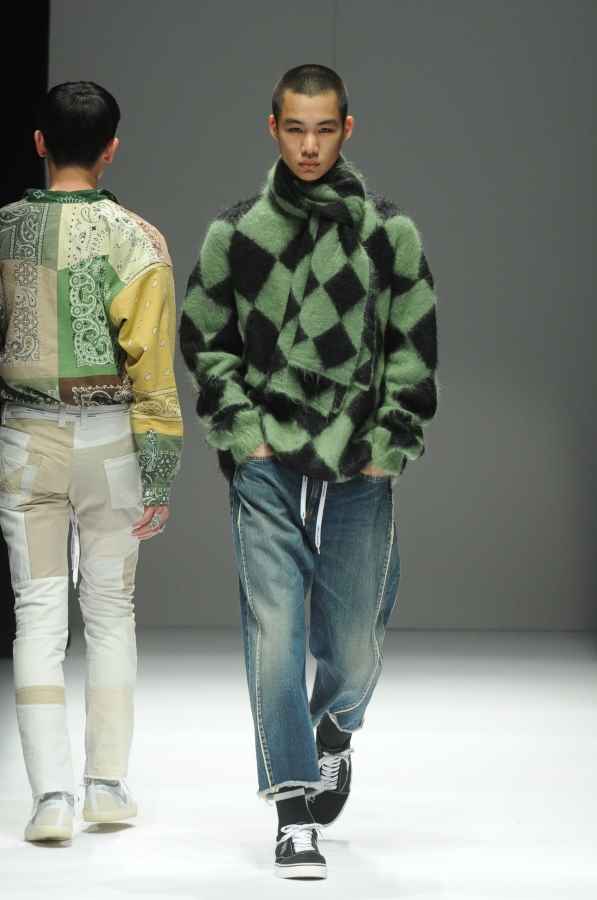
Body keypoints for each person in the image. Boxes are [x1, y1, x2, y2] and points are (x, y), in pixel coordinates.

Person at [180, 63, 438, 880]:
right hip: (266, 463)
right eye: (294, 128)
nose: (308, 146)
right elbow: (205, 340)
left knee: (355, 646)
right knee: (275, 631)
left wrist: (387, 444)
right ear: (273, 128)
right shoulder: (236, 233)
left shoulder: (388, 234)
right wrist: (243, 435)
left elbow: (412, 347)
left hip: (359, 463)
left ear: (346, 129)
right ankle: (292, 812)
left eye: (324, 129)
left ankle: (334, 730)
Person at [0, 81, 183, 842]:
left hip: (25, 443)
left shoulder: (4, 232)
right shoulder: (136, 240)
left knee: (37, 616)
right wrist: (160, 474)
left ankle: (50, 800)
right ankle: (105, 787)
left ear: (39, 143)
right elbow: (154, 371)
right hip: (110, 443)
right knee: (109, 612)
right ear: (111, 149)